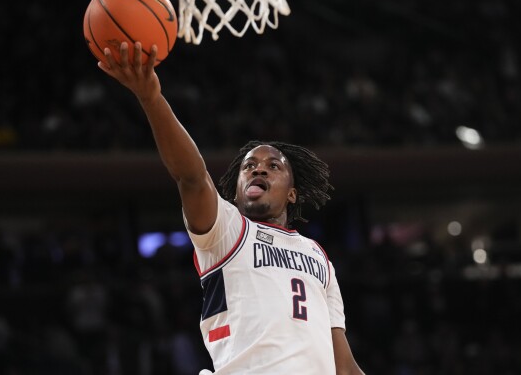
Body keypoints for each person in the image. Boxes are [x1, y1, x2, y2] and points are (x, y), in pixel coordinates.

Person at [98, 41, 365, 375]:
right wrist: (151, 98)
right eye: (249, 166)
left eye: (273, 166)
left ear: (293, 194)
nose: (259, 169)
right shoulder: (228, 230)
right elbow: (192, 177)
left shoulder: (318, 256)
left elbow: (344, 364)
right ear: (237, 191)